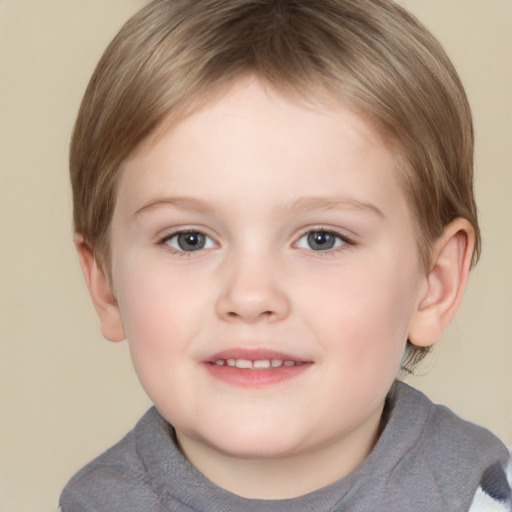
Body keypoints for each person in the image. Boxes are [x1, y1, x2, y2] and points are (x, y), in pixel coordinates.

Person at [59, 0, 511, 510]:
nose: (250, 297)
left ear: (435, 281)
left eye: (322, 238)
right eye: (189, 239)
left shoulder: (481, 495)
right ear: (104, 282)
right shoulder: (97, 502)